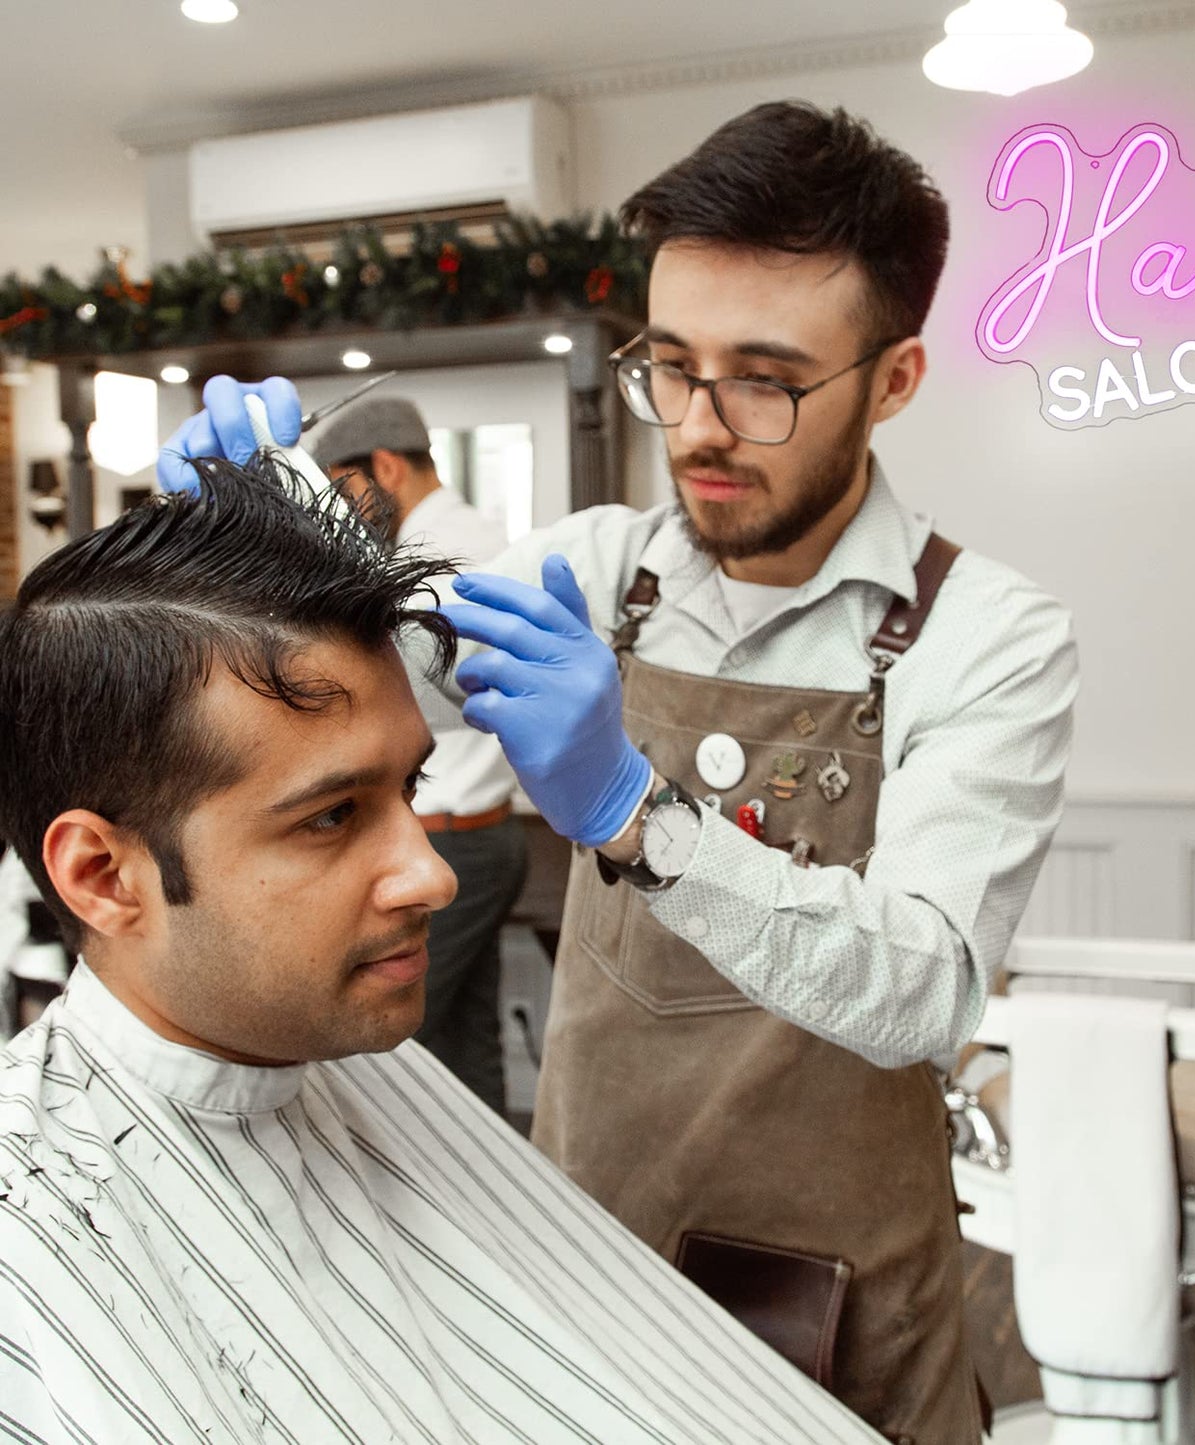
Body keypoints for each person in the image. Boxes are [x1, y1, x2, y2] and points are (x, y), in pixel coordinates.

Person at [161, 100, 1079, 1445]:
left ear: (893, 380)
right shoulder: (595, 570)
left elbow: (927, 986)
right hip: (585, 1235)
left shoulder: (986, 635)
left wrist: (639, 819)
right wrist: (264, 522)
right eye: (672, 364)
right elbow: (378, 659)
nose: (699, 426)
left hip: (833, 1286)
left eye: (764, 378)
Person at [0, 456, 887, 1445]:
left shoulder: (360, 1066)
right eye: (331, 815)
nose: (430, 875)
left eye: (408, 790)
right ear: (101, 874)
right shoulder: (32, 1238)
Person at [307, 395, 526, 1113]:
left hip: (450, 838)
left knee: (386, 1066)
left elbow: (378, 707)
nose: (342, 512)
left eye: (344, 489)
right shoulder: (483, 533)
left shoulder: (439, 561)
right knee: (467, 1049)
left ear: (388, 466)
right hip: (483, 833)